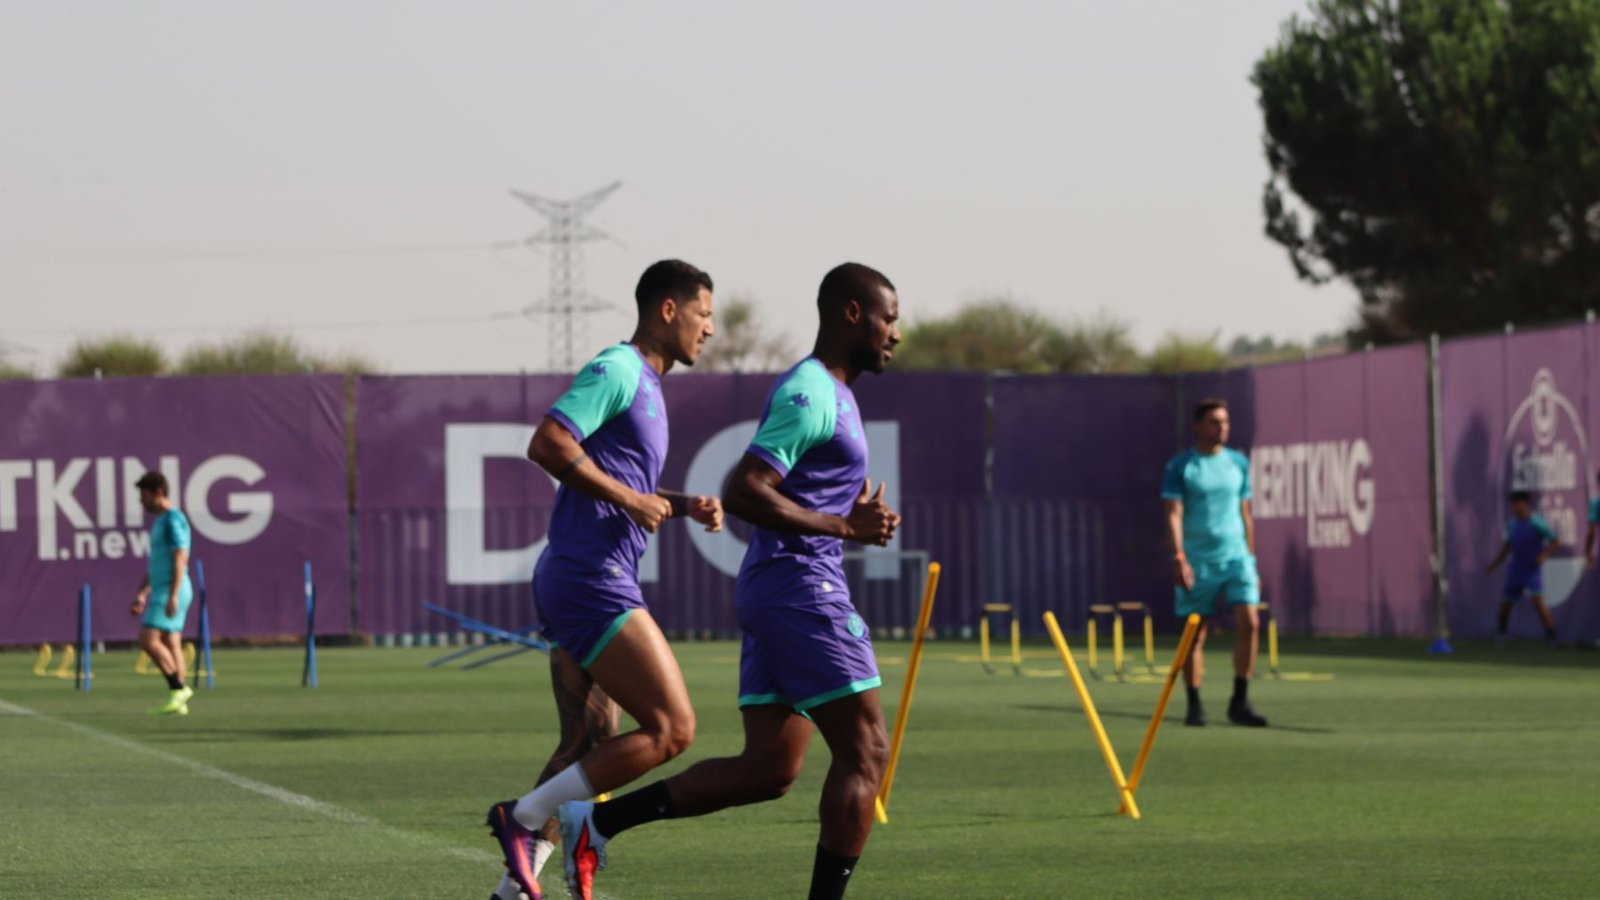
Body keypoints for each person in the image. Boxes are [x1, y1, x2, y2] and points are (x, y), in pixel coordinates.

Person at [553, 262, 902, 900]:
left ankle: (597, 823)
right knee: (868, 751)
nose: (895, 334)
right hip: (802, 588)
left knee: (769, 770)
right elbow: (744, 489)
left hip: (781, 588)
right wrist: (841, 527)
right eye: (888, 318)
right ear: (852, 314)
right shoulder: (812, 391)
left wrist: (850, 521)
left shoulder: (838, 395)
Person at [485, 259, 724, 900]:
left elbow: (629, 488)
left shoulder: (648, 385)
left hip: (578, 575)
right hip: (592, 578)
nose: (710, 328)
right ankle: (525, 815)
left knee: (590, 745)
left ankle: (509, 894)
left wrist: (676, 501)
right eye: (703, 314)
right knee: (673, 728)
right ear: (668, 310)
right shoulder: (619, 369)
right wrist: (631, 499)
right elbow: (548, 443)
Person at [1161, 399, 1268, 728]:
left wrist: (1250, 557)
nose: (1221, 427)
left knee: (1250, 621)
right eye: (1213, 422)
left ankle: (1240, 700)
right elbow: (1173, 514)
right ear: (1197, 426)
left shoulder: (1237, 462)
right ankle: (1194, 703)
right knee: (1194, 634)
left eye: (1224, 421)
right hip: (1198, 562)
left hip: (1236, 557)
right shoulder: (1181, 466)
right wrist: (1179, 558)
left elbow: (1245, 514)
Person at [127, 472, 195, 716]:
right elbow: (156, 564)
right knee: (171, 641)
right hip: (164, 587)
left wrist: (174, 594)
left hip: (171, 588)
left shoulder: (172, 519)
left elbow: (180, 556)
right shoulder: (161, 520)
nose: (140, 501)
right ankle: (179, 702)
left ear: (157, 492)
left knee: (148, 639)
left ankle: (178, 687)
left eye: (143, 495)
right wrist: (142, 594)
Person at [1484, 490, 1561, 649]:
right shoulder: (1512, 524)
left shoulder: (1536, 522)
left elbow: (1555, 541)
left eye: (1517, 503)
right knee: (1505, 605)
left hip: (1531, 570)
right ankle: (1501, 635)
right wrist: (1493, 565)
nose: (1514, 506)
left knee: (1538, 603)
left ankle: (1552, 638)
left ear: (1526, 504)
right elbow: (1506, 548)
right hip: (1515, 570)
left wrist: (1544, 556)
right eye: (1513, 503)